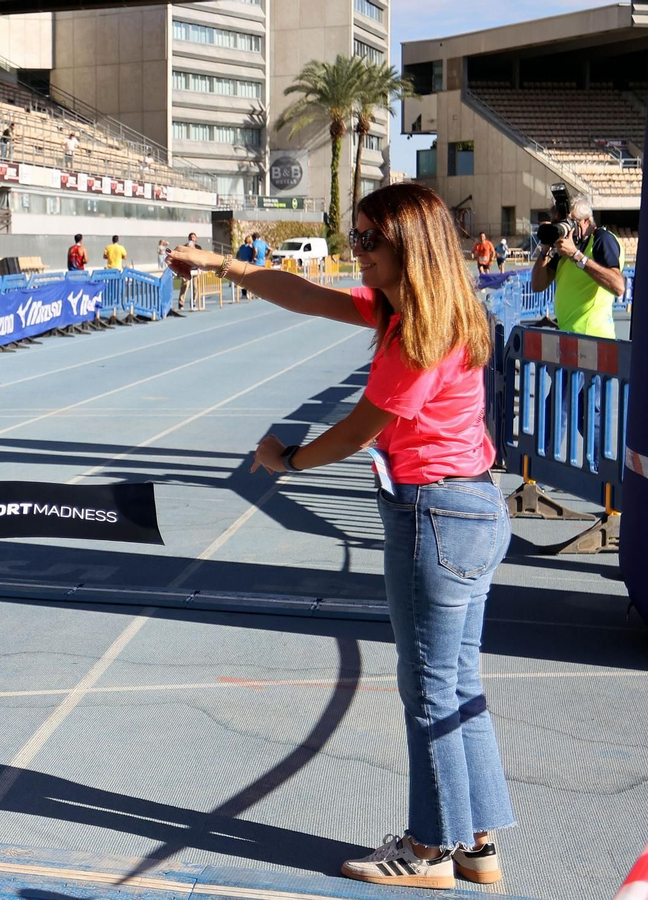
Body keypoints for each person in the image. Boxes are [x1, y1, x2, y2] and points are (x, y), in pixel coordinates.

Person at [169, 181, 513, 891]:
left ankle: (428, 850)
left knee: (428, 693)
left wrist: (285, 460)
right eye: (353, 236)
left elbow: (360, 430)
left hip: (434, 516)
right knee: (459, 686)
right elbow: (303, 295)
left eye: (366, 240)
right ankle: (476, 842)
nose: (352, 252)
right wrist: (222, 265)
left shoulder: (416, 334)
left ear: (407, 247)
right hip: (473, 508)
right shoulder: (429, 310)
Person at [530, 197, 625, 338]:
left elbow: (618, 286)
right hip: (568, 334)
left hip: (593, 337)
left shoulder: (601, 240)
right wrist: (545, 249)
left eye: (569, 223)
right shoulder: (565, 248)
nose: (565, 229)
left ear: (586, 221)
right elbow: (537, 285)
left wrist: (576, 256)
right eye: (558, 223)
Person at [233, 234, 255, 300]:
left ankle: (244, 294)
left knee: (242, 279)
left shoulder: (241, 247)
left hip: (241, 263)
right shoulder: (250, 249)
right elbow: (251, 257)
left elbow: (238, 255)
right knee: (250, 279)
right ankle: (252, 293)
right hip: (248, 264)